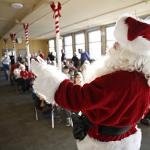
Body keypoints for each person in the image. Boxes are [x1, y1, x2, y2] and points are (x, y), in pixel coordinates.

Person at [31, 15, 150, 150]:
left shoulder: (118, 80)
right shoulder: (145, 79)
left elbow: (77, 98)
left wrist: (46, 73)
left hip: (104, 142)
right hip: (128, 137)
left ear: (131, 52)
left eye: (118, 44)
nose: (112, 47)